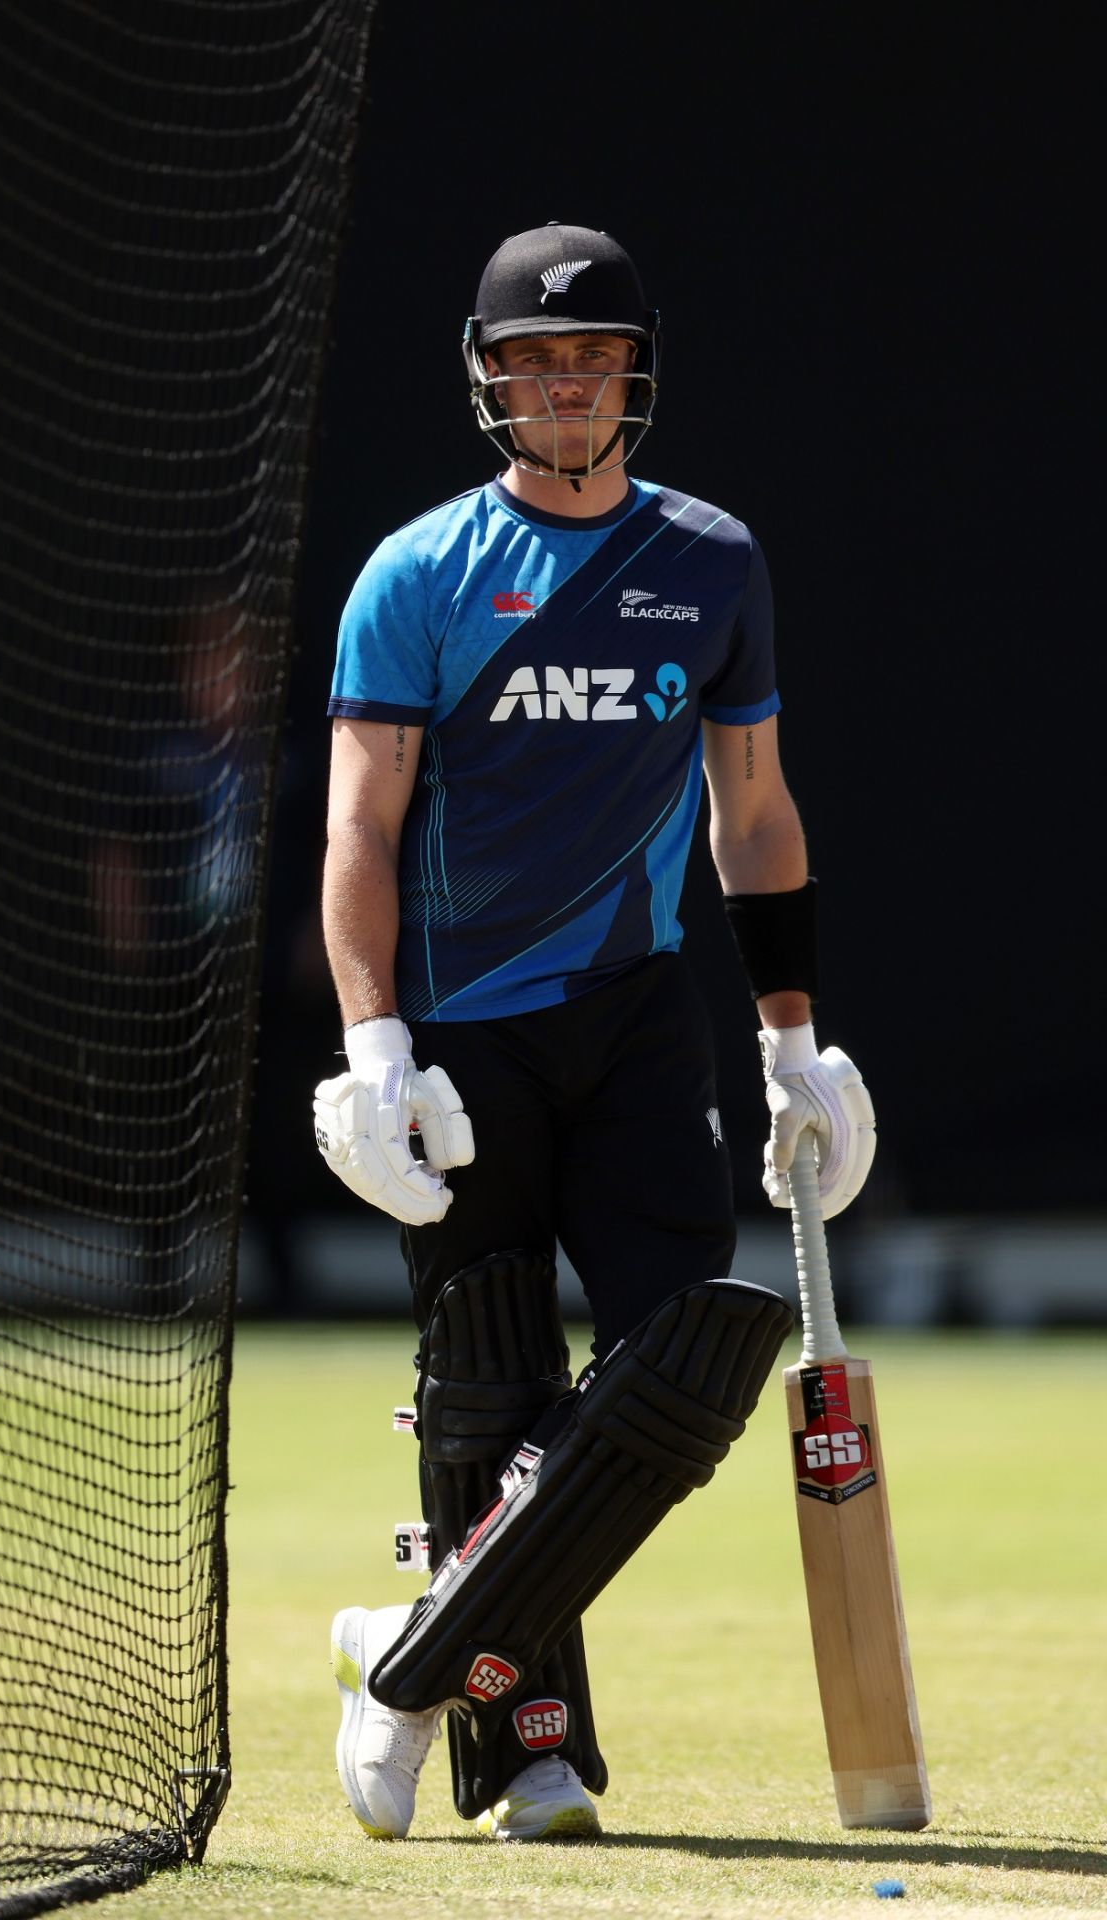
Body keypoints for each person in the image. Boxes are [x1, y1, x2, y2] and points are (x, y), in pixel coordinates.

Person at [312, 223, 876, 1843]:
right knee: (489, 1380)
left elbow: (753, 812)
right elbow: (360, 831)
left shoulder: (710, 560)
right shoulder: (416, 577)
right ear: (488, 382)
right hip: (462, 1037)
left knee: (689, 1360)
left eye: (591, 358)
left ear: (635, 374)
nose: (562, 387)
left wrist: (795, 1043)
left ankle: (405, 1663)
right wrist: (371, 1047)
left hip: (636, 1017)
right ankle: (531, 1748)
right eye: (529, 362)